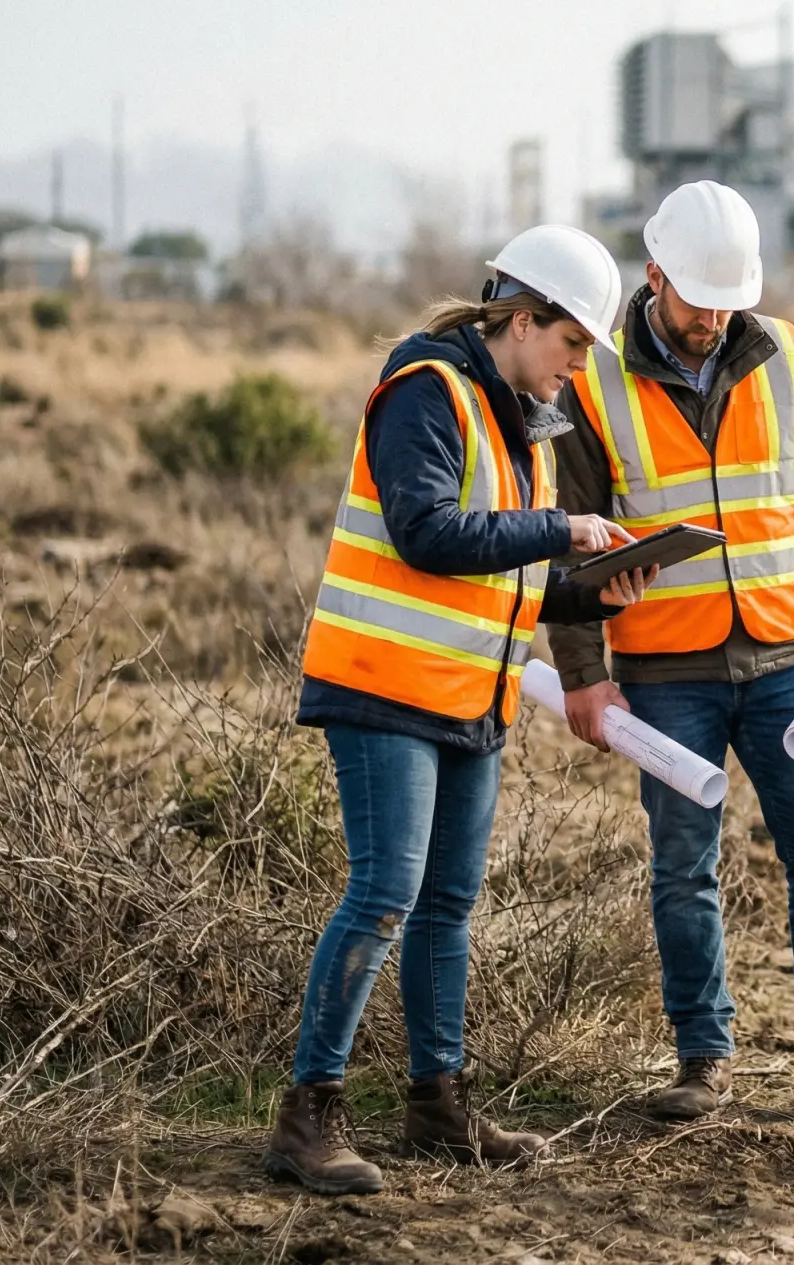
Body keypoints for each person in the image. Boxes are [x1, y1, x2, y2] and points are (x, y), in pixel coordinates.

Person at [266, 225, 656, 1196]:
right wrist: (564, 525)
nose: (577, 369)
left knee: (446, 905)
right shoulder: (427, 388)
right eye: (572, 345)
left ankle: (436, 1099)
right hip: (383, 686)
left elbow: (499, 573)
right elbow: (428, 531)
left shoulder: (516, 414)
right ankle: (306, 1116)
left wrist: (583, 592)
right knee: (386, 892)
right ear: (522, 319)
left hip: (463, 694)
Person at [548, 181, 794, 1128]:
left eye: (730, 299)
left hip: (790, 656)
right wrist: (586, 676)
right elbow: (568, 547)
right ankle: (702, 1061)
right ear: (655, 276)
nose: (714, 318)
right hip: (664, 670)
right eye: (697, 299)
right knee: (684, 865)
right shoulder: (593, 380)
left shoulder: (788, 355)